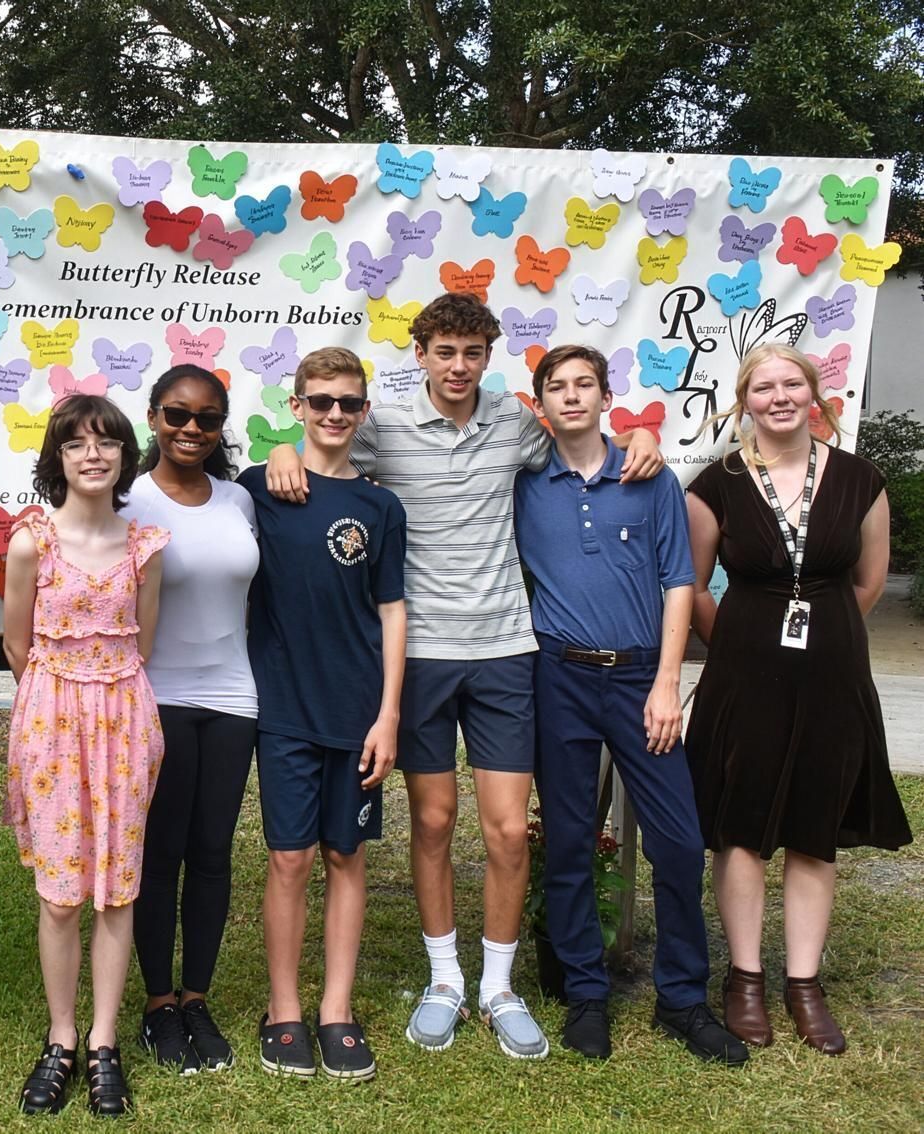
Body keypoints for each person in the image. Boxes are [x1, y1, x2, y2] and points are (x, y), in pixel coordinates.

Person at [264, 293, 663, 1060]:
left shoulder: (516, 425)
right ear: (420, 355)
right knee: (436, 821)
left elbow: (584, 448)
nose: (457, 366)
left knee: (510, 828)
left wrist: (637, 434)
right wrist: (283, 451)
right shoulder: (379, 428)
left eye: (472, 353)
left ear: (488, 357)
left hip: (507, 650)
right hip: (419, 657)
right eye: (443, 351)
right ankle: (445, 979)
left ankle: (498, 986)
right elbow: (324, 455)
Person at [513, 345, 747, 1065]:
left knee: (678, 841)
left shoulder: (650, 478)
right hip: (560, 678)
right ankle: (585, 989)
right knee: (571, 838)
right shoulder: (524, 483)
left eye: (586, 384)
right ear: (542, 404)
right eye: (559, 387)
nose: (573, 396)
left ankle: (683, 997)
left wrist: (668, 681)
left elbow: (681, 579)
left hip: (643, 674)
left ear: (606, 395)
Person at [685, 343, 911, 1055]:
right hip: (742, 673)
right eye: (763, 386)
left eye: (792, 384)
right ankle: (745, 977)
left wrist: (823, 638)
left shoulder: (859, 478)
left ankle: (802, 983)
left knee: (816, 823)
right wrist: (746, 642)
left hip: (833, 673)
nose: (778, 396)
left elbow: (869, 581)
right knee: (741, 824)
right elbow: (690, 587)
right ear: (743, 399)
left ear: (814, 395)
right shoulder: (715, 483)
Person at [241, 349, 405, 1081]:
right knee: (290, 857)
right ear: (297, 405)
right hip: (282, 709)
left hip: (358, 712)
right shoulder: (258, 489)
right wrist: (277, 454)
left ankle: (336, 1009)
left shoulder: (379, 507)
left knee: (347, 855)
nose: (334, 414)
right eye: (321, 401)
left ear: (363, 411)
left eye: (348, 403)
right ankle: (283, 1011)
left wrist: (390, 714)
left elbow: (393, 610)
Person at [3, 394, 169, 1117]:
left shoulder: (147, 546)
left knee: (117, 885)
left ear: (125, 456)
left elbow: (146, 641)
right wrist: (58, 703)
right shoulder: (30, 542)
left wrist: (108, 700)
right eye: (77, 443)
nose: (93, 454)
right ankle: (61, 1037)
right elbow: (15, 642)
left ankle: (104, 1043)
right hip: (51, 717)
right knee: (60, 891)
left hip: (125, 717)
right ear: (58, 457)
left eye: (106, 442)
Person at [119, 363, 257, 1075]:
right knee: (160, 853)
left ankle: (196, 998)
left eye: (206, 419)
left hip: (235, 697)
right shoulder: (127, 500)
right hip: (156, 694)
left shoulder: (239, 499)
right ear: (153, 416)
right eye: (177, 415)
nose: (191, 430)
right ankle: (156, 1003)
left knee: (212, 854)